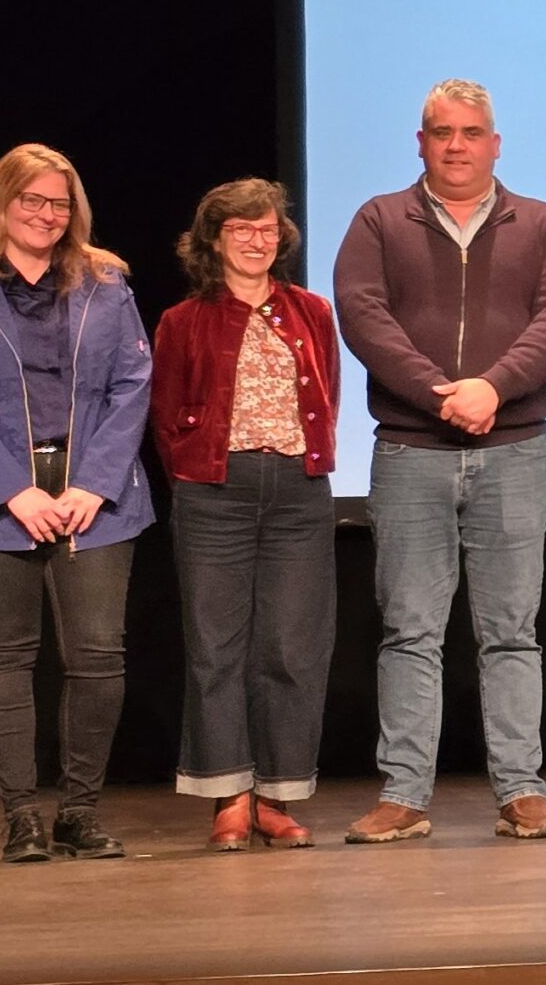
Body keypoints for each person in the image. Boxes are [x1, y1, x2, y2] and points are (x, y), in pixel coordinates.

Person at [333, 78, 546, 842]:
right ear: (422, 142)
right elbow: (363, 315)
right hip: (412, 450)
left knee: (512, 630)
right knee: (410, 629)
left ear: (495, 143)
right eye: (443, 131)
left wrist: (493, 387)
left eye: (472, 132)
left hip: (513, 449)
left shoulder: (541, 222)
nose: (457, 144)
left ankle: (522, 791)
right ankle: (404, 795)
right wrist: (442, 394)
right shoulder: (379, 219)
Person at [0, 144, 153, 862]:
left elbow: (132, 384)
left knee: (97, 654)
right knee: (5, 652)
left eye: (60, 203)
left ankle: (78, 812)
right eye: (33, 200)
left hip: (93, 496)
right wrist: (14, 490)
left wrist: (93, 483)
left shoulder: (106, 281)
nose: (48, 215)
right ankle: (21, 816)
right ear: (3, 201)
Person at [149, 178, 339, 851]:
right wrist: (196, 474)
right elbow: (166, 415)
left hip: (298, 492)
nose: (257, 240)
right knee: (216, 648)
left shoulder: (312, 311)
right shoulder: (182, 320)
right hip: (214, 490)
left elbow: (328, 394)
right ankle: (229, 797)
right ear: (213, 239)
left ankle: (276, 796)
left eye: (267, 229)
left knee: (291, 646)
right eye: (241, 229)